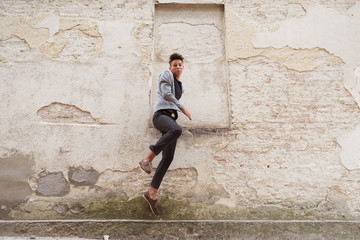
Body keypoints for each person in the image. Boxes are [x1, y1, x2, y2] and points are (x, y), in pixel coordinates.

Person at [139, 52, 192, 216]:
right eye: (174, 64)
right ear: (170, 67)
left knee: (168, 157)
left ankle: (152, 194)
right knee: (176, 130)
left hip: (171, 119)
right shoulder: (165, 74)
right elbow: (166, 94)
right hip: (161, 116)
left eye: (180, 64)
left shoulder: (180, 85)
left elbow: (173, 95)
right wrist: (183, 108)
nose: (177, 67)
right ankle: (147, 159)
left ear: (183, 67)